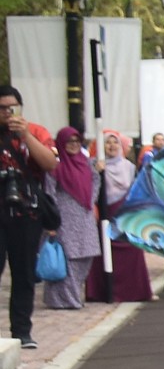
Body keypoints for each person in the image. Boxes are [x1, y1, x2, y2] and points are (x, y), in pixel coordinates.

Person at [0, 84, 58, 348]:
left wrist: (25, 136)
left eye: (12, 108)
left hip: (26, 210)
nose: (7, 113)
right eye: (2, 108)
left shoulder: (35, 131)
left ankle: (22, 332)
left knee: (23, 273)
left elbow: (50, 164)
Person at [86, 130, 155, 303]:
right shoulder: (94, 165)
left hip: (125, 217)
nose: (112, 146)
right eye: (107, 143)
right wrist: (96, 172)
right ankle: (102, 292)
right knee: (102, 253)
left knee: (133, 252)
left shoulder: (129, 167)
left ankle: (136, 292)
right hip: (103, 215)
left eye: (115, 142)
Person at [41, 128, 99, 310]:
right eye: (69, 141)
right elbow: (49, 194)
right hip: (63, 219)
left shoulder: (87, 165)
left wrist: (90, 201)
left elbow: (95, 185)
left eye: (76, 141)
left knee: (85, 257)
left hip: (85, 216)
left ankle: (69, 297)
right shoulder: (55, 168)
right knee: (65, 260)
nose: (73, 145)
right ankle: (64, 300)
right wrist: (51, 222)